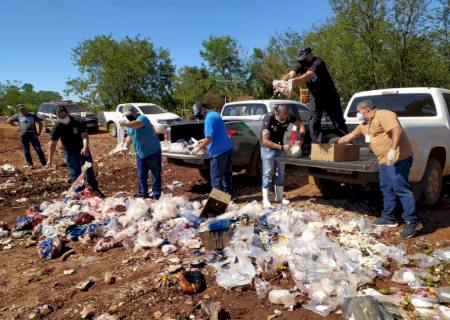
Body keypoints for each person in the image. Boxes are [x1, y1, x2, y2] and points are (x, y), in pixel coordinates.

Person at [336, 99, 420, 238]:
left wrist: (393, 150)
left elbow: (397, 130)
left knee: (401, 189)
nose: (358, 114)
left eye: (358, 111)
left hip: (398, 158)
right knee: (387, 188)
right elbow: (349, 136)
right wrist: (333, 143)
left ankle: (412, 221)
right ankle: (389, 218)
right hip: (383, 161)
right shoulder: (364, 125)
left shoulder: (383, 114)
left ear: (366, 109)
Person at [281, 47, 348, 142]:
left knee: (337, 119)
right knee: (314, 120)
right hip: (315, 95)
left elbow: (306, 76)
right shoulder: (300, 63)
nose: (303, 61)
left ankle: (345, 141)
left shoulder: (318, 62)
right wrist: (280, 82)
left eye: (304, 58)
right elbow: (291, 74)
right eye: (301, 59)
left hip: (329, 95)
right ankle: (317, 143)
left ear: (310, 55)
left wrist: (292, 81)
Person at [47, 105, 103, 195]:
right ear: (56, 116)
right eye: (59, 115)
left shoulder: (77, 121)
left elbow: (85, 136)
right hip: (69, 152)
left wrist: (85, 147)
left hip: (82, 149)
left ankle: (95, 189)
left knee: (89, 170)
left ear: (67, 113)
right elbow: (52, 144)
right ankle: (79, 192)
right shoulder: (57, 126)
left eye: (63, 114)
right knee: (75, 172)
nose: (62, 116)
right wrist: (50, 159)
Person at [260, 104, 305, 208]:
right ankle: (265, 199)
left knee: (280, 172)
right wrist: (281, 147)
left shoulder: (289, 117)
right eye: (284, 116)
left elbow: (301, 126)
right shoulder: (269, 119)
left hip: (281, 147)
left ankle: (279, 197)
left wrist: (301, 138)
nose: (286, 118)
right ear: (277, 114)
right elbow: (265, 141)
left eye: (287, 116)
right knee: (268, 172)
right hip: (268, 148)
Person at [120, 104, 162, 200]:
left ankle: (156, 196)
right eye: (126, 116)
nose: (128, 117)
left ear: (135, 112)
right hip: (140, 153)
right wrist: (125, 145)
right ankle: (143, 195)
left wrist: (125, 124)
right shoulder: (130, 123)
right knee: (141, 176)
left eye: (129, 115)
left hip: (153, 152)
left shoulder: (142, 118)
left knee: (155, 175)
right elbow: (130, 135)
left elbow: (138, 124)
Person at [194, 102, 233, 195]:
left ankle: (218, 202)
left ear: (203, 109)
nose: (199, 115)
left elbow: (209, 138)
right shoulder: (215, 114)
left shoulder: (208, 119)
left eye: (199, 113)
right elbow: (215, 133)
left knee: (216, 178)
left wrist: (198, 148)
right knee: (226, 175)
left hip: (218, 153)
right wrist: (203, 141)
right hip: (227, 148)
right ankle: (229, 197)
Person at [7, 104, 47, 168]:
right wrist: (16, 126)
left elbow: (40, 123)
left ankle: (44, 164)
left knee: (38, 149)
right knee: (26, 151)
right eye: (20, 109)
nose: (22, 110)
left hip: (33, 135)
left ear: (25, 108)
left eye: (23, 108)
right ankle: (30, 164)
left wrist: (39, 133)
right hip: (23, 136)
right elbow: (8, 120)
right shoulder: (17, 116)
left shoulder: (32, 115)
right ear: (19, 110)